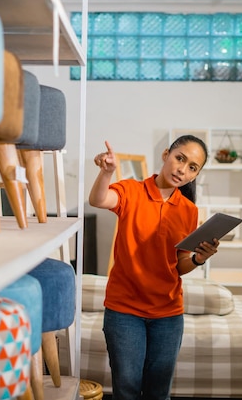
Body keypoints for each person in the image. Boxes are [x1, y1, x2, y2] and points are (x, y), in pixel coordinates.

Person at [89, 135, 218, 400]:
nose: (182, 169)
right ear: (166, 155)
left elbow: (179, 265)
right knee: (126, 391)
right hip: (124, 311)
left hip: (168, 314)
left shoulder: (189, 211)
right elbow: (99, 200)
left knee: (159, 394)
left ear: (195, 176)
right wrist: (107, 173)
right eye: (180, 158)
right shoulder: (131, 191)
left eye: (192, 167)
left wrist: (198, 259)